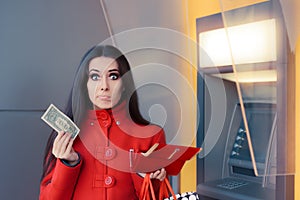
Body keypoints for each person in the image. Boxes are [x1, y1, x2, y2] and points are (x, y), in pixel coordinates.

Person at [39, 45, 167, 200]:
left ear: (125, 83)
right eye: (95, 77)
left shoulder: (151, 136)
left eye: (113, 76)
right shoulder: (65, 137)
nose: (104, 87)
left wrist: (142, 174)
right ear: (84, 84)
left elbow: (156, 197)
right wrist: (67, 165)